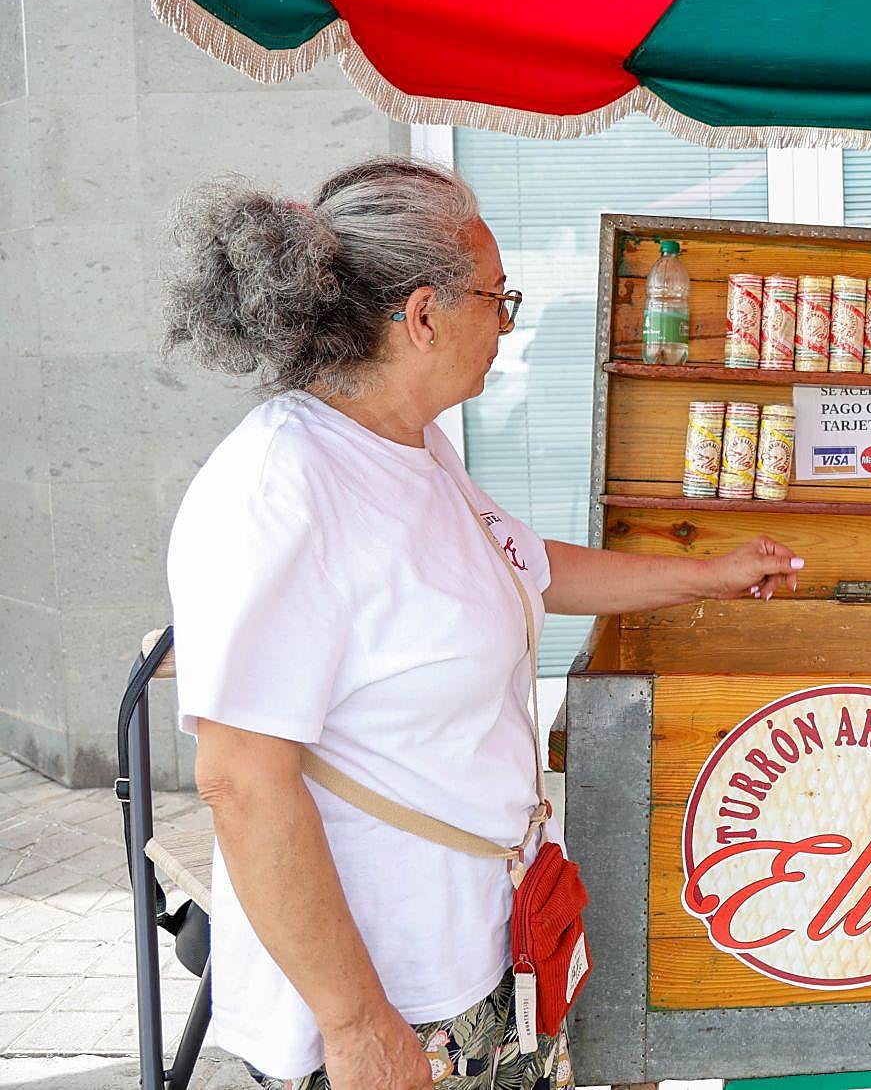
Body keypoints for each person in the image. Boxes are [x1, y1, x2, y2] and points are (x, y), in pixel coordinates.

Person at [164, 157, 801, 1090]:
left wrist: (709, 575)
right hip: (397, 1002)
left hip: (489, 952)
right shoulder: (280, 486)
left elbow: (527, 568)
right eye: (498, 300)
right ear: (423, 315)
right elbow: (241, 780)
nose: (509, 325)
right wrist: (358, 1026)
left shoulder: (412, 451)